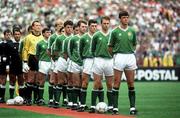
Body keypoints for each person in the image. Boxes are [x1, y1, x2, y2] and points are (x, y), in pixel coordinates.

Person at [108, 11, 138, 115]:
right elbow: (110, 47)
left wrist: (130, 51)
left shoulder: (132, 31)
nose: (126, 19)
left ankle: (132, 108)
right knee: (116, 83)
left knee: (131, 83)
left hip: (130, 56)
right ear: (120, 19)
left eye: (127, 17)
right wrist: (115, 56)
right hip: (119, 56)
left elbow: (134, 44)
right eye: (124, 17)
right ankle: (115, 108)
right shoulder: (115, 31)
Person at [89, 16, 113, 113]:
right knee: (96, 83)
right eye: (104, 23)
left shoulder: (112, 34)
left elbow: (114, 48)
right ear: (101, 24)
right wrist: (96, 56)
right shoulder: (96, 35)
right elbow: (92, 49)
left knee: (110, 84)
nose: (106, 25)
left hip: (110, 60)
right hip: (98, 59)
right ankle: (93, 106)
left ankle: (111, 106)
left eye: (108, 23)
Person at [78, 19, 97, 112]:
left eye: (95, 26)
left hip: (97, 60)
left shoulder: (98, 36)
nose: (94, 28)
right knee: (85, 82)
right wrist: (83, 60)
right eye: (92, 26)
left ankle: (95, 106)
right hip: (87, 60)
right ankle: (82, 105)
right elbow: (80, 51)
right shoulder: (83, 37)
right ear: (89, 26)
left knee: (98, 83)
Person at [52, 20, 73, 108]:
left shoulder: (74, 37)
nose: (69, 29)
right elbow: (55, 51)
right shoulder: (59, 38)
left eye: (71, 27)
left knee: (70, 81)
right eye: (68, 27)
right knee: (60, 81)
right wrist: (61, 58)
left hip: (71, 60)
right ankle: (56, 101)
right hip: (61, 60)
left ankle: (70, 101)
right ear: (64, 28)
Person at [22, 20, 43, 105]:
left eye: (39, 25)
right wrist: (25, 62)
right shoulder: (28, 37)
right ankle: (28, 98)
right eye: (37, 25)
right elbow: (25, 49)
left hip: (40, 59)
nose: (38, 27)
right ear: (33, 27)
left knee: (38, 80)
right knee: (30, 80)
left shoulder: (42, 37)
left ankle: (37, 98)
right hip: (31, 58)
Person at [68, 20, 87, 110]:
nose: (84, 28)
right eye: (82, 26)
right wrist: (73, 59)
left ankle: (81, 103)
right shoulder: (73, 38)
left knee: (83, 84)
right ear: (78, 27)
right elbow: (69, 50)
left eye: (85, 26)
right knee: (76, 84)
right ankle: (75, 103)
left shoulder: (88, 38)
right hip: (75, 63)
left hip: (85, 63)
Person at [47, 19, 64, 107]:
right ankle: (51, 99)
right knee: (53, 80)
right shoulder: (52, 37)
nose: (61, 25)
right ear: (56, 26)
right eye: (59, 24)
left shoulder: (66, 36)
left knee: (62, 80)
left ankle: (61, 99)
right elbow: (49, 49)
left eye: (62, 24)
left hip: (63, 60)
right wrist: (52, 59)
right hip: (55, 60)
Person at [36, 28, 52, 105]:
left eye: (50, 32)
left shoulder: (53, 43)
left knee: (51, 81)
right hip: (43, 62)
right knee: (41, 81)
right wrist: (41, 61)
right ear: (43, 34)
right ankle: (40, 99)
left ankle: (51, 99)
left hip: (51, 62)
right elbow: (37, 55)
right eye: (47, 32)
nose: (49, 34)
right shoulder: (39, 43)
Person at [8, 28, 24, 99]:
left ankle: (21, 97)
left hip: (21, 65)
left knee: (21, 82)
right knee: (12, 81)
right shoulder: (9, 44)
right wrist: (7, 66)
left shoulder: (23, 43)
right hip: (12, 65)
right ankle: (11, 97)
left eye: (18, 34)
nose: (17, 36)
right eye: (15, 34)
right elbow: (7, 55)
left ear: (20, 35)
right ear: (13, 35)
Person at [0, 29, 12, 103]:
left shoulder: (12, 43)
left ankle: (12, 97)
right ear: (4, 35)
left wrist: (8, 65)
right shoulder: (1, 44)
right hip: (2, 64)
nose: (8, 36)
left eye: (9, 34)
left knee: (12, 80)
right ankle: (1, 97)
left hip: (11, 64)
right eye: (7, 35)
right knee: (2, 80)